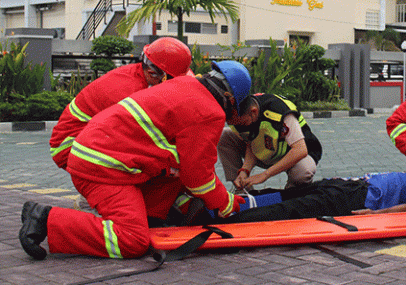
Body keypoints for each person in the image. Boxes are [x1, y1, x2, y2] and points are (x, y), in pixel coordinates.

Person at [19, 60, 252, 260]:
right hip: (104, 167)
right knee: (132, 240)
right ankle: (45, 219)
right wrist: (225, 203)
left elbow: (184, 161)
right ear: (229, 98)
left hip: (96, 153)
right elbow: (198, 177)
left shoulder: (184, 84)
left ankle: (151, 219)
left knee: (175, 170)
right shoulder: (209, 111)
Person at [49, 37, 192, 170]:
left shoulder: (138, 76)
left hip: (83, 139)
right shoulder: (128, 91)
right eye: (172, 80)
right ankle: (97, 192)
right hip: (70, 147)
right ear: (152, 73)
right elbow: (142, 137)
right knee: (153, 159)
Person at [217, 170, 406, 224]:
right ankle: (229, 204)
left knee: (293, 205)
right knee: (288, 196)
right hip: (350, 187)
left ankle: (227, 215)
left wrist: (375, 215)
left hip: (359, 197)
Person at [217, 93, 322, 191]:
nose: (240, 127)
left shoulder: (279, 111)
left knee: (303, 172)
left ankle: (290, 195)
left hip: (293, 153)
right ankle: (242, 188)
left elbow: (300, 150)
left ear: (253, 112)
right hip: (266, 152)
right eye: (234, 124)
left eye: (242, 123)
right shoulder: (238, 117)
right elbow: (251, 142)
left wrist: (265, 175)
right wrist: (244, 171)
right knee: (224, 136)